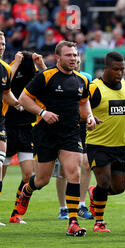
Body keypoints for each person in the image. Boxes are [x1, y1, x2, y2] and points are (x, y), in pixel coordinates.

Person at [15, 40, 96, 236]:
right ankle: (27, 190)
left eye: (75, 55)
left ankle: (73, 221)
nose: (73, 59)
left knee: (73, 173)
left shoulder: (82, 80)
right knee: (42, 180)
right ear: (58, 57)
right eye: (69, 55)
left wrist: (90, 116)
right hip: (46, 134)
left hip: (71, 134)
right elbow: (24, 99)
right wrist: (43, 113)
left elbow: (84, 103)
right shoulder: (45, 76)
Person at [86, 51, 125, 233]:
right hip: (97, 144)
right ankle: (99, 223)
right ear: (106, 68)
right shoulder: (94, 88)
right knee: (104, 180)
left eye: (122, 69)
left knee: (119, 188)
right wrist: (88, 117)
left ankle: (95, 193)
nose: (120, 73)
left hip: (120, 146)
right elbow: (80, 108)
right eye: (116, 69)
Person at [3, 51, 45, 224]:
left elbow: (49, 80)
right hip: (7, 128)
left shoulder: (35, 75)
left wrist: (41, 63)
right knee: (1, 174)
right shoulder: (9, 70)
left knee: (28, 175)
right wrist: (17, 62)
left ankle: (15, 213)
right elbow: (4, 82)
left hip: (27, 130)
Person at [56, 54, 93, 220]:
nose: (75, 63)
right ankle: (63, 206)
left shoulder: (86, 79)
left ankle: (81, 204)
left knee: (86, 165)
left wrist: (91, 116)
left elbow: (87, 102)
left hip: (83, 126)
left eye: (78, 60)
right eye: (73, 60)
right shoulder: (58, 78)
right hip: (64, 127)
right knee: (64, 170)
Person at [0, 31, 22, 223]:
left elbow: (6, 94)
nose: (1, 47)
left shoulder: (5, 69)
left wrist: (17, 103)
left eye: (3, 44)